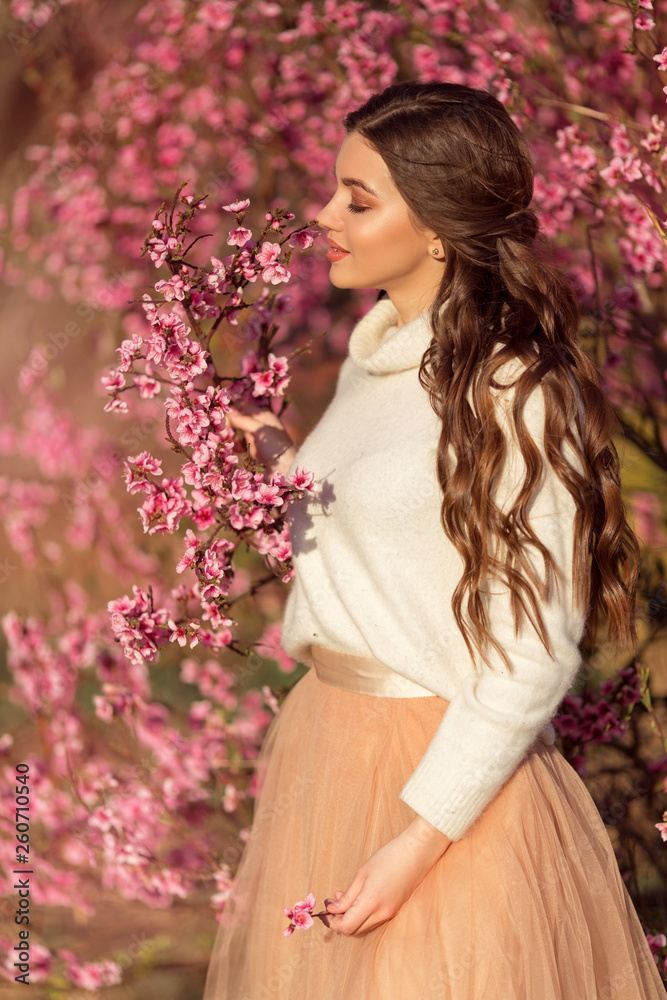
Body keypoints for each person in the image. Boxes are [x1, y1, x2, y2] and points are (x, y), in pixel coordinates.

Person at [202, 81, 667, 999]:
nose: (325, 214)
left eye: (357, 199)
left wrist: (416, 844)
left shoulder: (516, 392)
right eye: (335, 190)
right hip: (326, 744)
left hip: (439, 788)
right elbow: (378, 542)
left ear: (439, 230)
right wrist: (275, 452)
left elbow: (531, 654)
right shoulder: (380, 357)